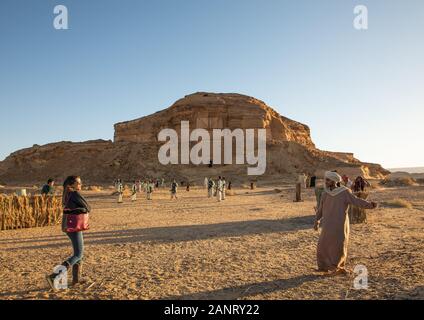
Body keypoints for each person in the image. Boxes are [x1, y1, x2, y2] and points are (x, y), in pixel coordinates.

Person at [314, 171, 377, 275]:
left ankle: (337, 267)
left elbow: (356, 201)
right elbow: (320, 209)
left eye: (328, 180)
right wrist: (316, 220)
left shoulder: (345, 192)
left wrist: (370, 205)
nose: (326, 182)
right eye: (326, 179)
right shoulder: (325, 194)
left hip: (340, 223)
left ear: (334, 181)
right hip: (328, 224)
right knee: (322, 245)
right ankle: (323, 267)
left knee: (338, 245)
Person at [46, 176, 91, 289]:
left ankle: (76, 280)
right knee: (78, 254)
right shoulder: (74, 194)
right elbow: (88, 207)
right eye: (79, 183)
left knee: (78, 253)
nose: (81, 184)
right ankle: (54, 276)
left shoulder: (66, 194)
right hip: (74, 226)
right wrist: (83, 210)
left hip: (68, 226)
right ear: (72, 184)